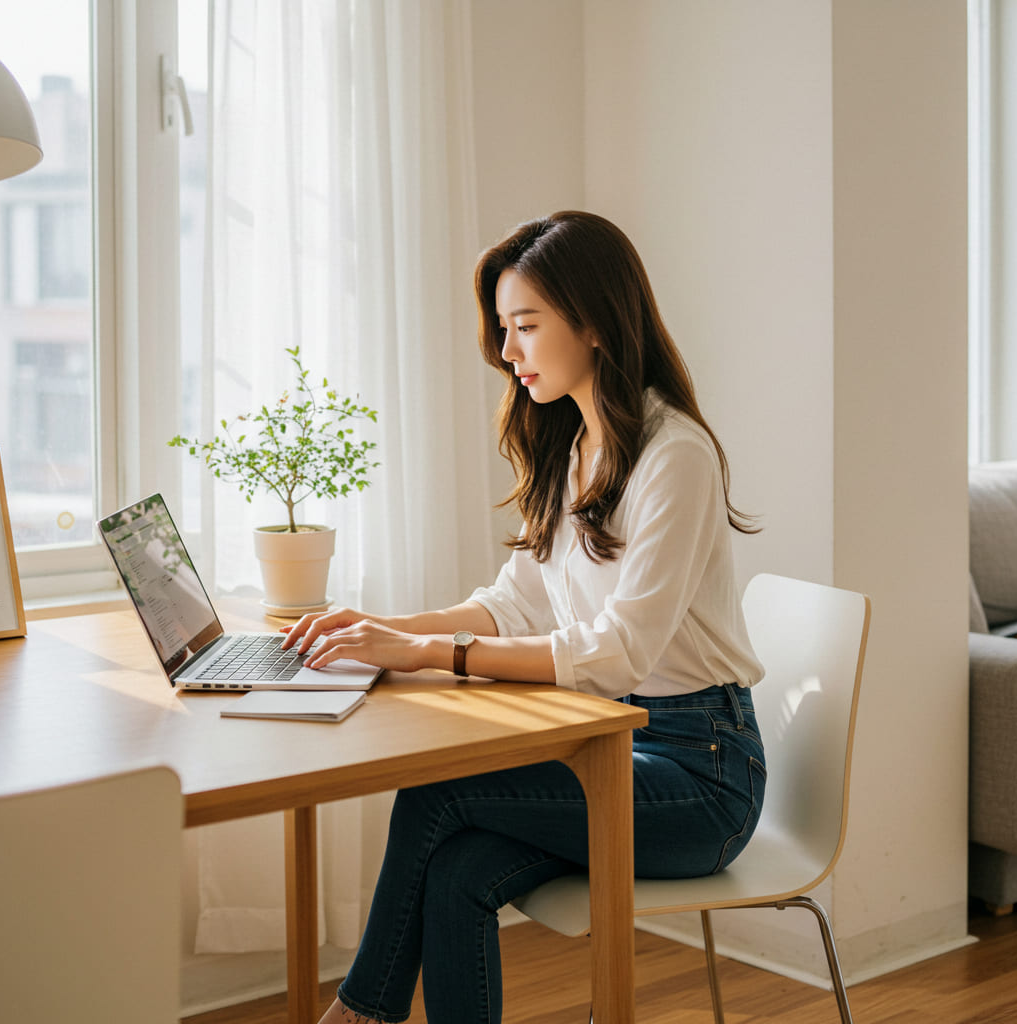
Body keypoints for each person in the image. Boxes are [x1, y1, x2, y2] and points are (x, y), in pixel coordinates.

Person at [282, 210, 767, 1024]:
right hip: (617, 749)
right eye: (504, 329)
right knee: (459, 868)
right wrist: (378, 631)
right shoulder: (574, 446)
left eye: (526, 326)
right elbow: (513, 603)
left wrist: (430, 651)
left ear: (595, 323)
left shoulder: (672, 455)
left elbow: (616, 651)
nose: (507, 353)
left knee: (434, 796)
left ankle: (361, 1014)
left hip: (703, 777)